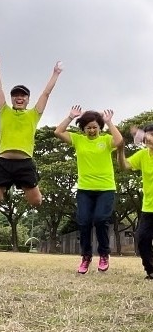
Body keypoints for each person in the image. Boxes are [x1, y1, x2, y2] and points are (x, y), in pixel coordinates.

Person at [0, 54, 62, 207]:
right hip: (4, 163)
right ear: (12, 98)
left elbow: (46, 93)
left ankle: (20, 185)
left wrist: (56, 73)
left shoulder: (34, 114)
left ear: (28, 99)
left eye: (23, 95)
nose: (19, 98)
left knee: (36, 202)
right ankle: (5, 187)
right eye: (16, 95)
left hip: (24, 163)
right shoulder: (4, 111)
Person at [54, 105, 123, 274]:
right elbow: (58, 132)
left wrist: (109, 122)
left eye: (95, 127)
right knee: (84, 221)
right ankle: (86, 257)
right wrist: (70, 117)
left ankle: (104, 255)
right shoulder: (78, 140)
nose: (92, 130)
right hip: (84, 189)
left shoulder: (106, 140)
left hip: (106, 188)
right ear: (83, 129)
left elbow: (119, 141)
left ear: (100, 127)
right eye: (88, 128)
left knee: (100, 220)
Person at [117, 124, 153, 279]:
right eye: (147, 135)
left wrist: (142, 134)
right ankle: (151, 270)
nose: (148, 138)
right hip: (148, 207)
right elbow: (125, 165)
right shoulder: (143, 155)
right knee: (143, 239)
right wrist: (120, 149)